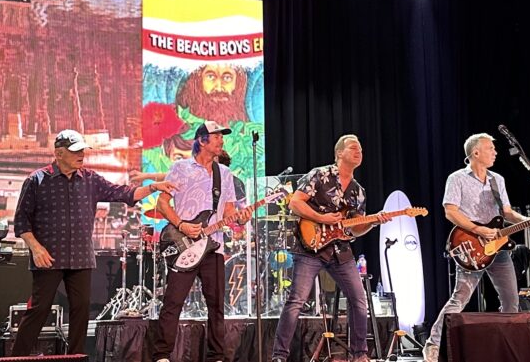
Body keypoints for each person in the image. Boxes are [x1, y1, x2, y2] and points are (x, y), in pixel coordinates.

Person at [11, 129, 176, 356]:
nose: (82, 155)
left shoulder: (90, 179)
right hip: (48, 256)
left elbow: (124, 193)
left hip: (80, 256)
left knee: (80, 310)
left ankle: (75, 357)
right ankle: (16, 358)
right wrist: (35, 248)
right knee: (39, 310)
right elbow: (21, 222)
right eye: (75, 151)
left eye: (83, 151)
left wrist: (153, 187)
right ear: (59, 154)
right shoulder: (37, 180)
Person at [423, 133, 530, 362]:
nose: (495, 152)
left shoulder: (498, 179)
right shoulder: (456, 178)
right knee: (460, 298)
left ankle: (506, 347)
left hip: (498, 248)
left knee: (511, 300)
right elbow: (450, 211)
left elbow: (506, 213)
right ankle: (434, 344)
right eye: (490, 149)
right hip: (471, 245)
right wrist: (479, 230)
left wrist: (528, 219)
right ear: (475, 152)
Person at [271, 134, 386, 362]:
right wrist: (321, 218)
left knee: (359, 298)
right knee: (296, 300)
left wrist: (372, 222)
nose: (359, 152)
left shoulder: (358, 190)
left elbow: (353, 229)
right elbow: (295, 202)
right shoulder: (320, 175)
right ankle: (279, 356)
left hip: (340, 250)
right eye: (353, 148)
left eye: (361, 149)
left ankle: (359, 354)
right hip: (310, 247)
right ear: (339, 153)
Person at [152, 121, 250, 362]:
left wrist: (241, 218)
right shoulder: (180, 168)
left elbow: (228, 214)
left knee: (216, 305)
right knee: (173, 301)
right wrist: (182, 224)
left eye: (222, 137)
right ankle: (162, 355)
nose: (222, 141)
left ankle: (216, 356)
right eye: (217, 137)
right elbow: (162, 204)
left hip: (213, 246)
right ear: (202, 140)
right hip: (184, 242)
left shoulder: (225, 174)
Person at [176, 63, 249, 125]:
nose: (219, 88)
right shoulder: (181, 122)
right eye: (210, 77)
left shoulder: (248, 129)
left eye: (227, 78)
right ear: (198, 81)